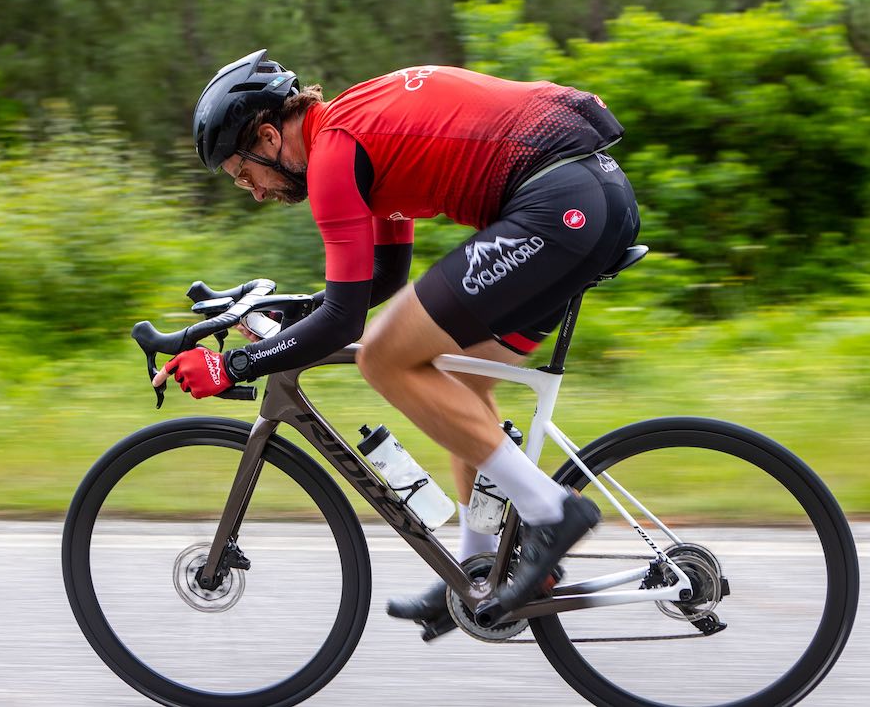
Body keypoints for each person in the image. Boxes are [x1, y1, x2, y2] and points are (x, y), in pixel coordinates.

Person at [155, 49, 640, 638]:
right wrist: (290, 311)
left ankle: (552, 510)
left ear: (267, 136)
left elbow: (345, 323)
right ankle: (478, 572)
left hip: (558, 204)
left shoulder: (336, 153)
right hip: (591, 194)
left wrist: (232, 366)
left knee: (384, 357)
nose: (254, 192)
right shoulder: (356, 134)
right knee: (460, 378)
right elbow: (380, 279)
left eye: (243, 174)